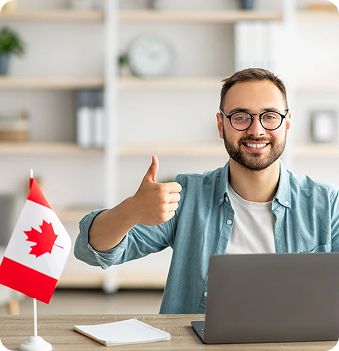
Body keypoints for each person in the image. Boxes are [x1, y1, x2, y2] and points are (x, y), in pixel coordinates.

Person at [74, 68, 339, 314]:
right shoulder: (188, 196)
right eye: (240, 117)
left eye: (270, 116)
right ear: (221, 124)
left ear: (287, 123)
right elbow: (90, 252)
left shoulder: (327, 204)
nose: (256, 130)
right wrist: (130, 210)